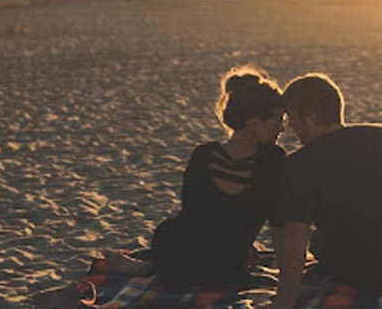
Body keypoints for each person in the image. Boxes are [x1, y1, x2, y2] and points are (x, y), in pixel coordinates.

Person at [102, 65, 287, 288]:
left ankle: (145, 267)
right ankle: (145, 267)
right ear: (254, 123)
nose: (282, 128)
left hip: (179, 257)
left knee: (172, 234)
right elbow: (276, 221)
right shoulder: (273, 160)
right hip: (226, 267)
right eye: (278, 120)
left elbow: (196, 216)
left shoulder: (204, 155)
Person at [269, 73, 382, 309]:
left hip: (363, 271)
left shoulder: (300, 164)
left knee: (318, 242)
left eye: (292, 119)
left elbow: (297, 238)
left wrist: (285, 300)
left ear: (312, 119)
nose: (289, 127)